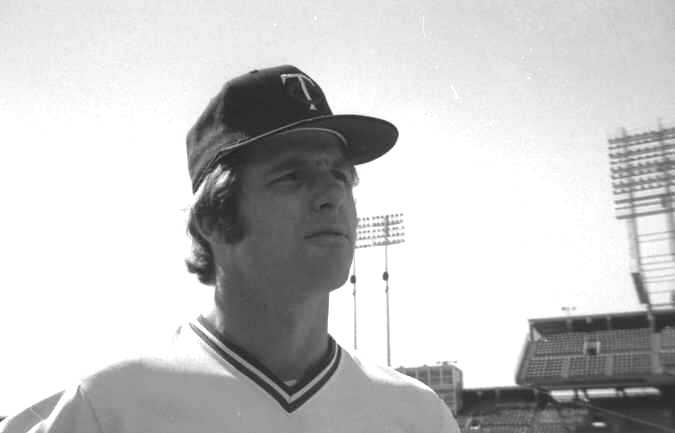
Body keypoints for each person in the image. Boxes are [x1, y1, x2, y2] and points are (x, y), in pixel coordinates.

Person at [0, 65, 460, 433]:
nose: (331, 195)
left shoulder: (419, 418)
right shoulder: (108, 410)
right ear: (214, 220)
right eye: (292, 176)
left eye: (340, 174)